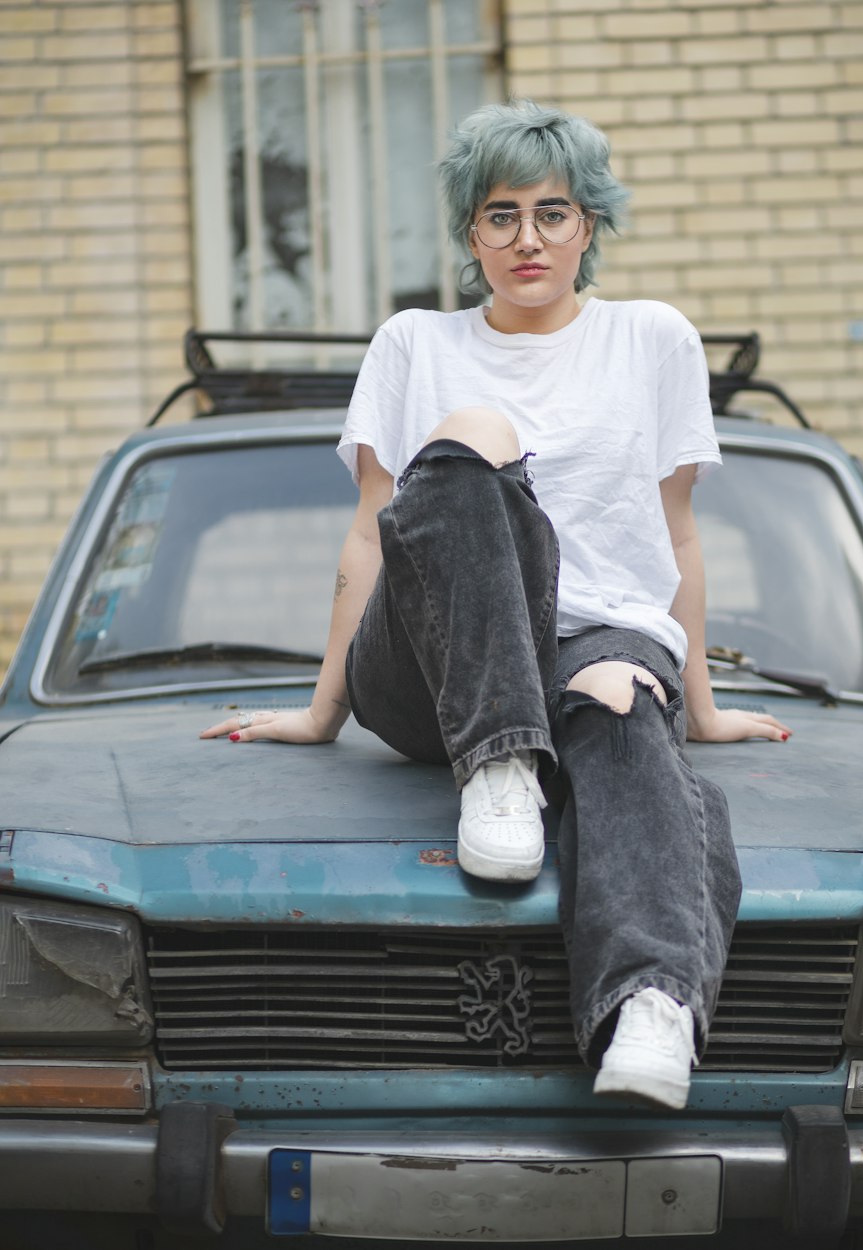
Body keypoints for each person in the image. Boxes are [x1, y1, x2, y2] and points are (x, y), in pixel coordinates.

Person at [201, 99, 790, 1111]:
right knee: (475, 431)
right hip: (426, 664)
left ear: (590, 223)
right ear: (470, 233)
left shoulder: (651, 340)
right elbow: (369, 529)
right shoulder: (413, 342)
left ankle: (649, 1001)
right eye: (500, 215)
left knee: (614, 693)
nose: (527, 239)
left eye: (552, 212)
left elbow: (674, 532)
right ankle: (500, 762)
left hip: (587, 644)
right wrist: (321, 708)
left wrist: (692, 705)